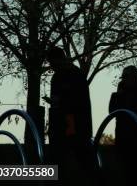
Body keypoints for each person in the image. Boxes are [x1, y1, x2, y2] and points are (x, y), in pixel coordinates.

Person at [46, 44, 94, 185]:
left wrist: (60, 103)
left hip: (72, 124)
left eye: (52, 63)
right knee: (75, 162)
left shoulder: (70, 75)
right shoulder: (67, 75)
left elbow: (77, 102)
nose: (52, 66)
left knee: (78, 160)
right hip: (68, 124)